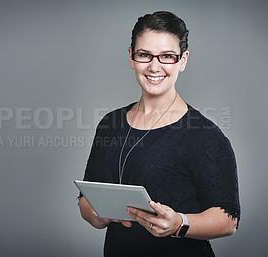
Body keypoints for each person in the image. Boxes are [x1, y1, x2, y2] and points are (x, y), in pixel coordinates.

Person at [77, 11, 240, 257]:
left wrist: (179, 224)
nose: (155, 66)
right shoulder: (110, 123)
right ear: (131, 57)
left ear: (182, 60)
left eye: (167, 56)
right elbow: (86, 199)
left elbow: (228, 219)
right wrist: (99, 215)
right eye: (145, 55)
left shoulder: (204, 135)